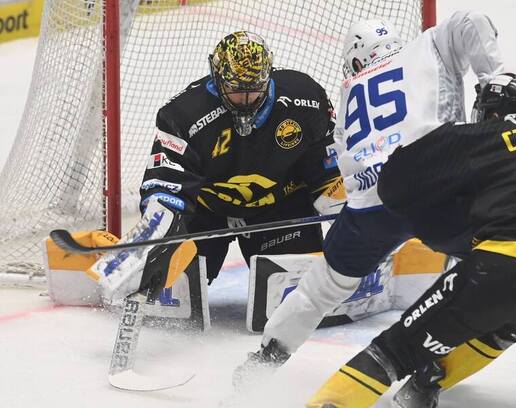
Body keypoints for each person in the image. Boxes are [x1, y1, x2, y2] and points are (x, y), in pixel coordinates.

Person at [306, 73, 516, 408]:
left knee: (394, 351)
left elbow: (393, 186)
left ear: (491, 111)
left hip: (506, 269)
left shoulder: (481, 136)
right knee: (500, 326)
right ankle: (427, 382)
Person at [234, 10, 504, 385]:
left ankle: (266, 358)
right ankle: (435, 356)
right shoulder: (427, 47)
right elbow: (472, 20)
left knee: (322, 288)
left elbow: (344, 175)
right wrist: (494, 82)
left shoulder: (347, 98)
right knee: (499, 261)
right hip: (437, 185)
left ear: (358, 59)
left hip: (370, 208)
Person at [86, 31, 345, 306]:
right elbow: (164, 185)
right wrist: (157, 237)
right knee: (173, 294)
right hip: (207, 214)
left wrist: (351, 220)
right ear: (216, 77)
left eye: (254, 90)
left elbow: (327, 168)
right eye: (235, 91)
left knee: (300, 296)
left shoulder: (305, 98)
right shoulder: (183, 115)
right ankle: (114, 259)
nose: (246, 101)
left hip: (279, 210)